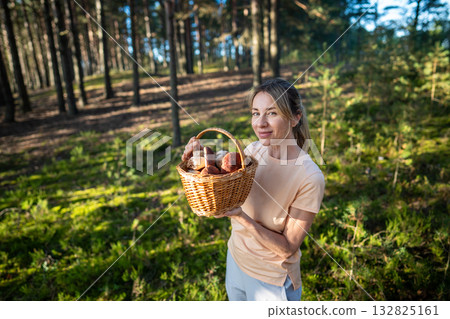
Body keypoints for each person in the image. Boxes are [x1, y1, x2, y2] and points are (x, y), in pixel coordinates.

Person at [182, 78, 325, 301]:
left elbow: (288, 248)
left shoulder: (310, 177)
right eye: (255, 113)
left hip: (271, 279)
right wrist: (200, 155)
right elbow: (222, 168)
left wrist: (241, 216)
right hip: (236, 258)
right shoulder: (254, 150)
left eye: (272, 113)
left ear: (295, 117)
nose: (260, 123)